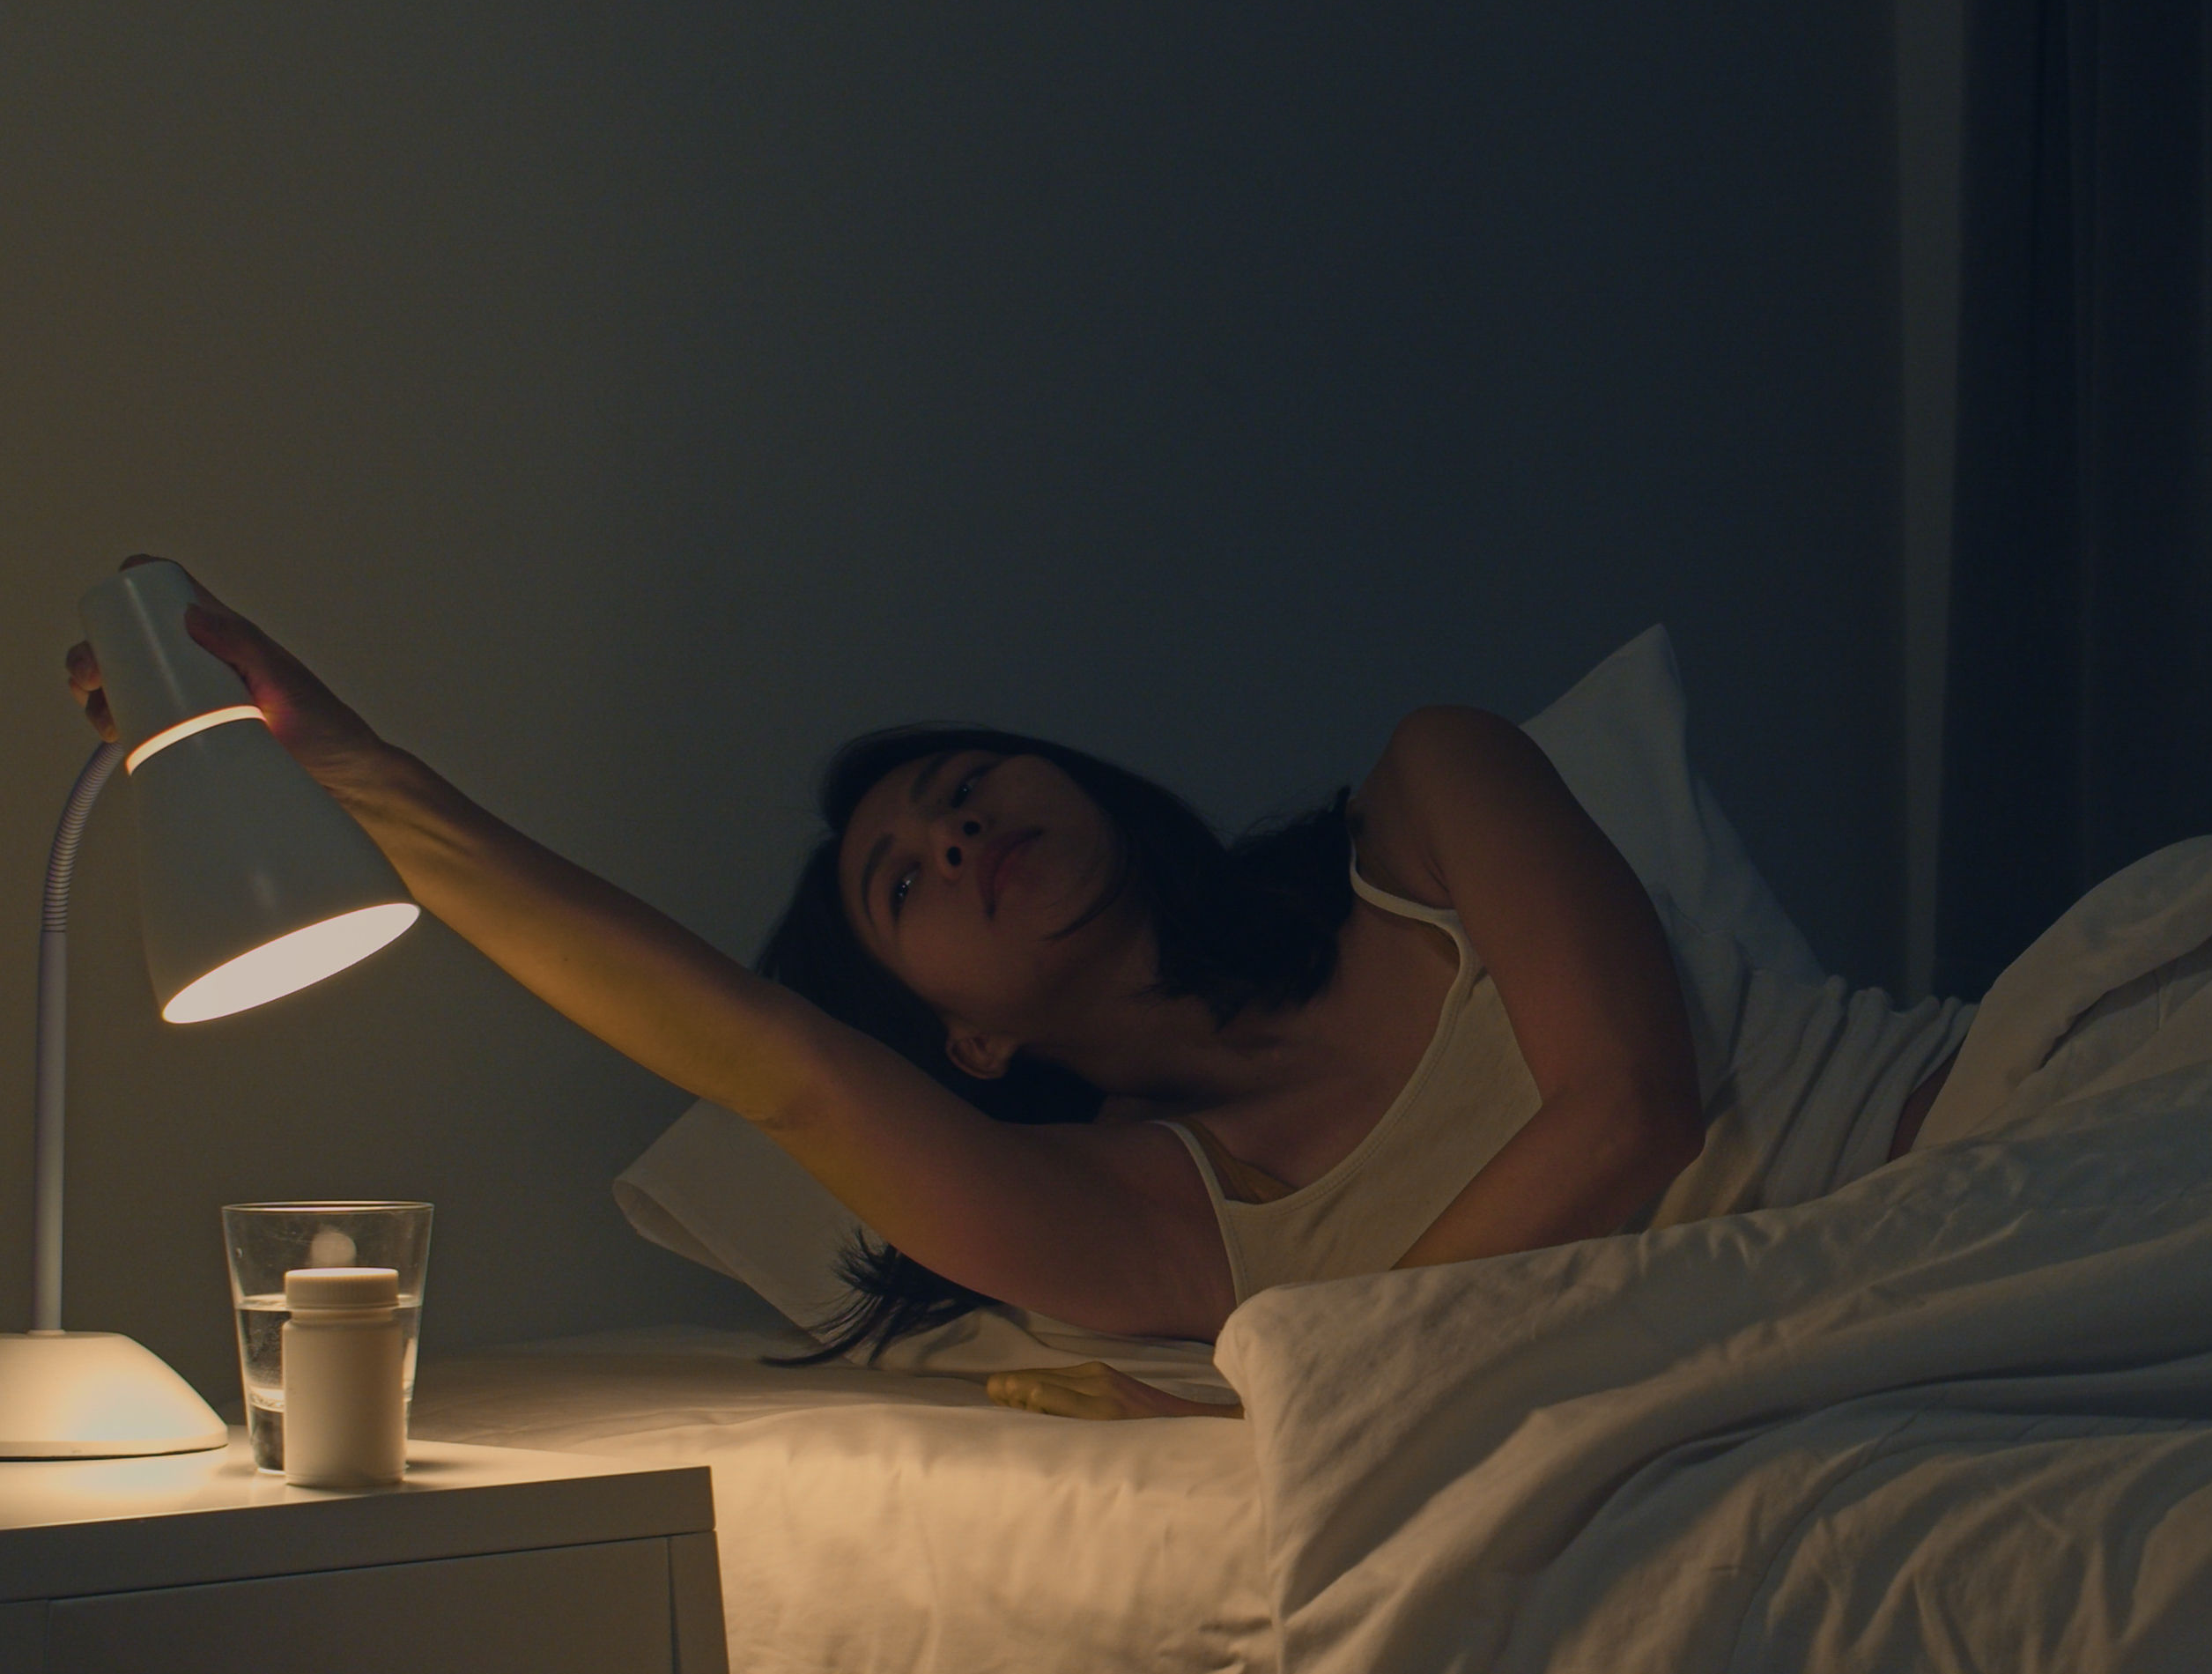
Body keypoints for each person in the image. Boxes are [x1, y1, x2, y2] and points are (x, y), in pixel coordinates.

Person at [66, 560, 1967, 1419]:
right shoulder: (1139, 1227)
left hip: (1979, 1141)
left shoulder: (1438, 788)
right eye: (906, 879)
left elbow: (1632, 1107)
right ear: (958, 1036)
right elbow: (768, 1066)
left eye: (969, 791)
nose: (959, 837)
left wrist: (1325, 1374)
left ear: (1085, 789)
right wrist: (363, 783)